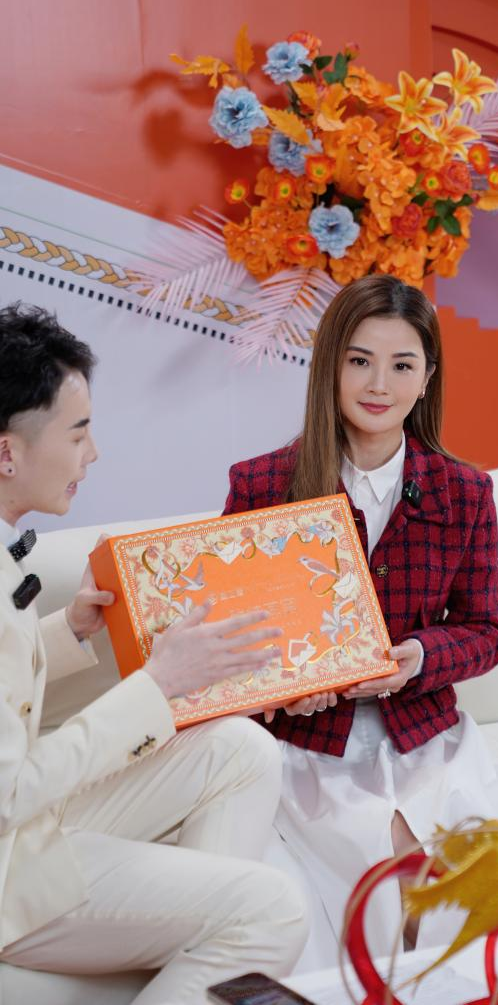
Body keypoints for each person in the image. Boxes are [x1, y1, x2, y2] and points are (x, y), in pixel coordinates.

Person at [223, 274, 498, 970]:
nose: (379, 385)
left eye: (402, 365)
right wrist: (285, 688)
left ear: (427, 377)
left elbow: (485, 632)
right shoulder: (262, 485)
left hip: (424, 740)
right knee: (371, 892)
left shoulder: (465, 492)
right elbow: (231, 639)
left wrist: (419, 657)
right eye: (360, 360)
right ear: (330, 365)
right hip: (306, 748)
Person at [0, 303, 307, 1003]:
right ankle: (215, 933)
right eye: (78, 432)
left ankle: (189, 945)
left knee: (239, 748)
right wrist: (158, 685)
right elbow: (9, 794)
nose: (93, 453)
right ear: (7, 452)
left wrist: (70, 629)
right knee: (275, 909)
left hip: (22, 832)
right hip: (9, 865)